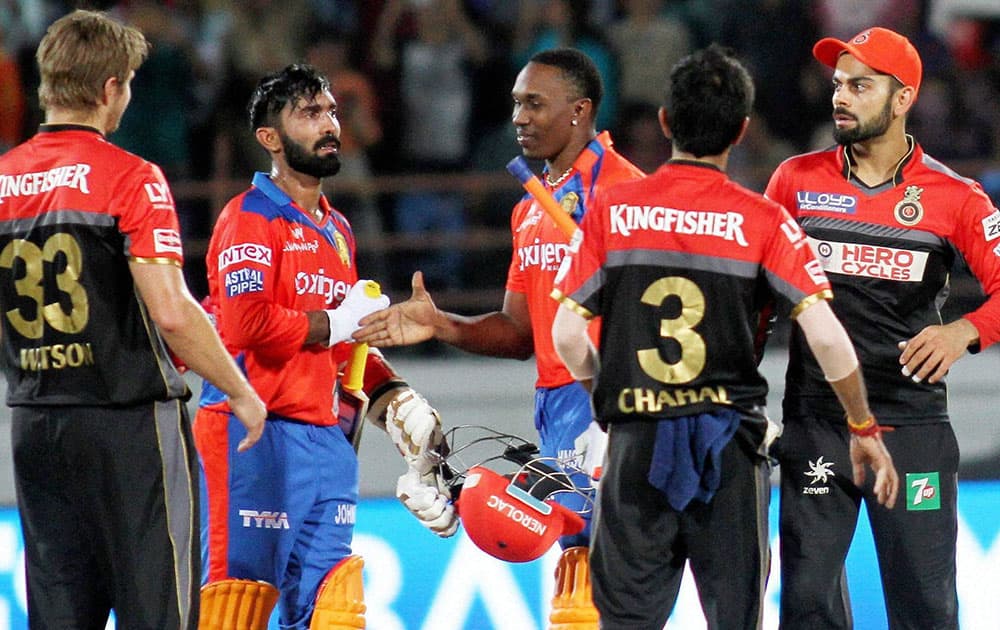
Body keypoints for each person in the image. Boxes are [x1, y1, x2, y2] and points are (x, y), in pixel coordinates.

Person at [550, 44, 899, 629]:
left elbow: (566, 335)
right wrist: (862, 426)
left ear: (665, 122)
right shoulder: (763, 220)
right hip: (729, 451)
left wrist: (605, 402)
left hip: (636, 446)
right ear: (740, 130)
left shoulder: (612, 210)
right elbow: (828, 337)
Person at [355, 47, 644, 626]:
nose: (520, 116)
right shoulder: (531, 209)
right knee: (579, 573)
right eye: (516, 103)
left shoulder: (624, 192)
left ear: (579, 111)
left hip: (609, 399)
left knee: (609, 577)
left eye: (535, 103)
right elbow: (518, 334)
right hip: (556, 403)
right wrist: (444, 325)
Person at [0, 10, 267, 628]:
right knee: (159, 610)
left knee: (62, 612)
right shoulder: (130, 178)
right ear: (111, 88)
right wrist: (240, 390)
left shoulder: (5, 179)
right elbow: (171, 314)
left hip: (36, 423)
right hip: (128, 425)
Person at [194, 63, 457, 629]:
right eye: (310, 114)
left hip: (326, 442)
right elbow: (246, 324)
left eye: (332, 111)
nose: (330, 123)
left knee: (333, 610)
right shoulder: (248, 218)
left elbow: (347, 340)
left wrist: (397, 398)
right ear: (270, 138)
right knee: (237, 605)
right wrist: (337, 324)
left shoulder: (338, 228)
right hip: (253, 436)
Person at [765, 27, 1000, 629]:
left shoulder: (957, 197)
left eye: (861, 85)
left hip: (912, 428)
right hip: (817, 425)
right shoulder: (795, 180)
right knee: (808, 604)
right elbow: (755, 294)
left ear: (903, 99)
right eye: (839, 83)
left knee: (924, 606)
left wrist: (964, 331)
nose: (841, 96)